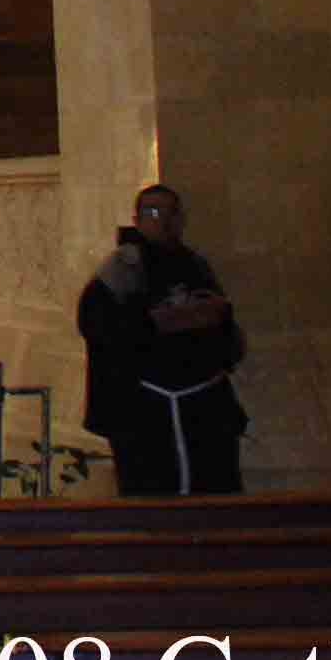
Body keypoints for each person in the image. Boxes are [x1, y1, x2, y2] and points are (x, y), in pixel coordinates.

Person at [75, 182, 246, 495]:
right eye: (152, 212)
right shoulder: (120, 270)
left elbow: (225, 331)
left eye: (171, 212)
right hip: (146, 411)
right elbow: (97, 325)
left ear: (182, 219)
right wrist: (156, 324)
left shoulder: (197, 265)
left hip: (202, 405)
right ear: (138, 220)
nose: (163, 220)